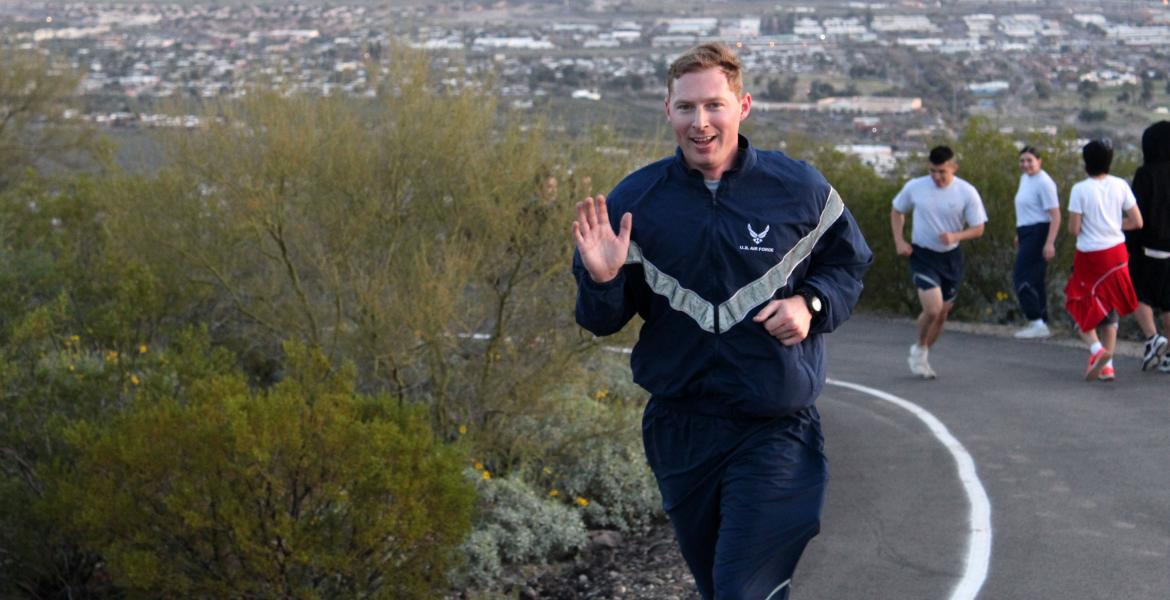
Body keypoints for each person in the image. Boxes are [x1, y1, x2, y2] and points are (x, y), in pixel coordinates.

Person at [571, 43, 872, 600]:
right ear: (667, 111)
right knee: (719, 587)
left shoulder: (797, 189)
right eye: (686, 108)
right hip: (680, 431)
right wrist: (603, 280)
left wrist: (810, 305)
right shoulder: (636, 202)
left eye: (714, 105)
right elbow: (600, 320)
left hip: (775, 428)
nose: (700, 122)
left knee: (743, 590)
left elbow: (848, 263)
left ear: (743, 106)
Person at [890, 146, 987, 379]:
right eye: (932, 171)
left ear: (954, 167)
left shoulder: (967, 192)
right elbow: (896, 210)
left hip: (951, 258)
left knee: (942, 314)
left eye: (942, 171)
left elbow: (978, 228)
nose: (936, 177)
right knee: (932, 308)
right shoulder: (915, 187)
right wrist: (899, 240)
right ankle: (921, 345)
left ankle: (921, 352)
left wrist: (956, 236)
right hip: (923, 255)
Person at [1064, 139, 1143, 382]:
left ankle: (1098, 350)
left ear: (1086, 162)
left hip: (1091, 256)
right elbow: (1137, 222)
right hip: (1117, 254)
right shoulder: (1120, 185)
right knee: (1110, 306)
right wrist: (1113, 225)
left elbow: (1074, 229)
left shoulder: (1080, 189)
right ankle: (1108, 366)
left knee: (1077, 304)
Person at [1127, 121, 1170, 372]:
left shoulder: (1145, 174)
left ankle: (1153, 338)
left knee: (1136, 293)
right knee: (1168, 301)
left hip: (1148, 247)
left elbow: (1136, 215)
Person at [1011, 146, 1061, 339]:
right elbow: (1027, 208)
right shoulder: (1025, 179)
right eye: (1022, 160)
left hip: (1039, 231)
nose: (1025, 164)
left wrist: (1050, 243)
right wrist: (1019, 234)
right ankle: (1042, 321)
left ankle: (1035, 321)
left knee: (1021, 276)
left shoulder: (1044, 182)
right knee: (1036, 279)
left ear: (1039, 161)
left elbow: (1055, 216)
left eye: (1029, 160)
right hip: (1026, 231)